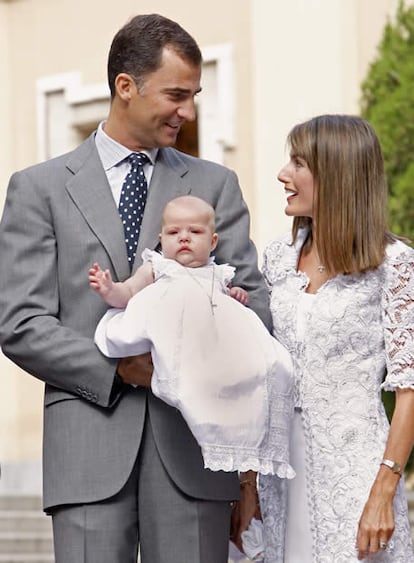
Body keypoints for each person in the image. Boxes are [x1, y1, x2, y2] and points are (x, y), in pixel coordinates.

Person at [0, 14, 273, 563]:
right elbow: (21, 323)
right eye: (177, 94)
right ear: (126, 86)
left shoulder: (217, 185)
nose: (188, 112)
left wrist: (194, 357)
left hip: (195, 455)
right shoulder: (38, 189)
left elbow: (255, 307)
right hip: (86, 452)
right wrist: (118, 369)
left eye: (194, 96)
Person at [258, 114, 414, 562]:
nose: (283, 175)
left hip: (357, 472)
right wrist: (248, 482)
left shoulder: (394, 265)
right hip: (279, 471)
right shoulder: (278, 259)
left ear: (336, 175)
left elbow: (409, 391)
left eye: (298, 164)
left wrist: (384, 489)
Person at [90, 194, 294, 476]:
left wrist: (235, 294)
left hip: (210, 344)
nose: (183, 238)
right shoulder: (158, 267)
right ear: (161, 239)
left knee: (270, 363)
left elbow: (226, 310)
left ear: (212, 242)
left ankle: (238, 429)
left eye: (195, 232)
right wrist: (109, 289)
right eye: (174, 233)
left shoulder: (218, 273)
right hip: (172, 336)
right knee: (189, 379)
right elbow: (128, 293)